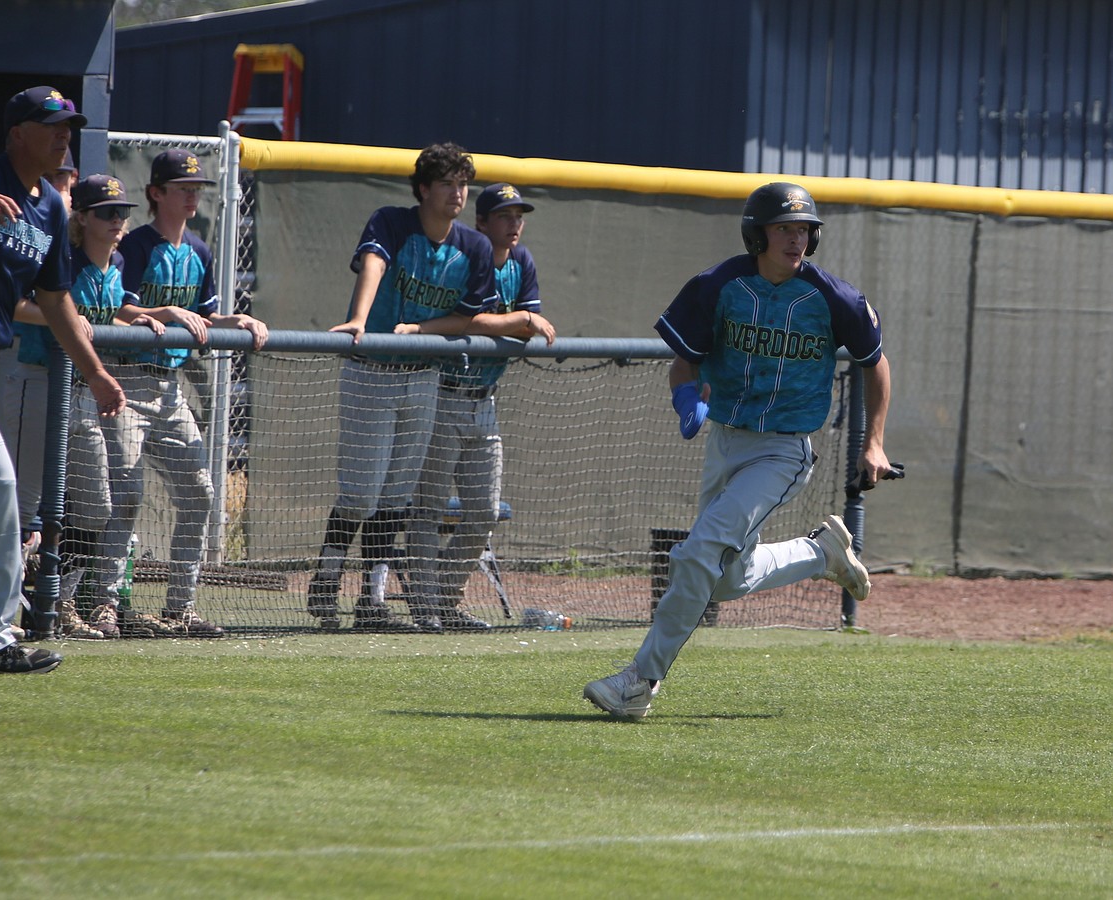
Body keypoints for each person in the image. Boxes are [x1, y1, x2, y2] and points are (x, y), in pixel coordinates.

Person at [583, 182, 893, 717]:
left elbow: (875, 362)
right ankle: (821, 554)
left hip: (783, 450)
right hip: (726, 441)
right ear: (757, 233)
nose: (796, 239)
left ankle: (639, 683)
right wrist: (685, 398)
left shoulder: (833, 297)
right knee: (724, 579)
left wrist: (875, 443)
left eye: (804, 230)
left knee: (699, 552)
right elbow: (685, 360)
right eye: (784, 228)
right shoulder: (718, 286)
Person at [0, 85, 125, 674]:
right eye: (51, 124)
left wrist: (94, 373)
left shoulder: (50, 206)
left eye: (69, 125)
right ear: (18, 131)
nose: (63, 135)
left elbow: (55, 300)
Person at [307, 142, 497, 633]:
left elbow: (469, 317)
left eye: (463, 183)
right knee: (361, 493)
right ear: (423, 189)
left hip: (424, 376)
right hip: (372, 370)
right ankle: (325, 585)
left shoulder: (473, 246)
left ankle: (372, 601)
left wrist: (420, 331)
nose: (458, 192)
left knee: (395, 497)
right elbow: (374, 261)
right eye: (448, 183)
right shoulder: (392, 220)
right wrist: (359, 319)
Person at [91, 148, 267, 638]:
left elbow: (204, 318)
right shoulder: (135, 244)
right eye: (183, 187)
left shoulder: (200, 250)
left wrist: (239, 320)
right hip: (124, 380)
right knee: (122, 496)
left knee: (200, 494)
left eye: (198, 188)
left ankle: (180, 608)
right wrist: (165, 311)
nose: (193, 195)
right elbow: (116, 310)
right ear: (156, 193)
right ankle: (104, 604)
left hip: (169, 388)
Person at [397, 182, 556, 632]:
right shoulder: (470, 255)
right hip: (442, 392)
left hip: (484, 399)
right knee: (427, 508)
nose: (514, 224)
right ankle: (425, 608)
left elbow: (525, 324)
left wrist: (519, 322)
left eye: (519, 215)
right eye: (504, 216)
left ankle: (446, 599)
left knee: (483, 511)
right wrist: (520, 321)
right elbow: (474, 320)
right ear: (481, 222)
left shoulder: (522, 261)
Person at [59, 174, 171, 639]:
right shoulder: (66, 261)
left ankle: (60, 601)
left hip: (89, 391)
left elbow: (114, 309)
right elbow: (46, 304)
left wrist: (142, 315)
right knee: (44, 505)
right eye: (107, 212)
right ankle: (47, 603)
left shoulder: (117, 262)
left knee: (94, 507)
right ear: (82, 218)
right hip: (54, 388)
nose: (118, 221)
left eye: (123, 212)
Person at [0, 147, 79, 602]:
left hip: (54, 377)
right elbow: (7, 298)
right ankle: (2, 602)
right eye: (57, 183)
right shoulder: (24, 226)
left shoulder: (59, 228)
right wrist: (56, 315)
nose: (61, 192)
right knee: (17, 495)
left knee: (40, 499)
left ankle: (22, 601)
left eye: (68, 184)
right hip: (20, 367)